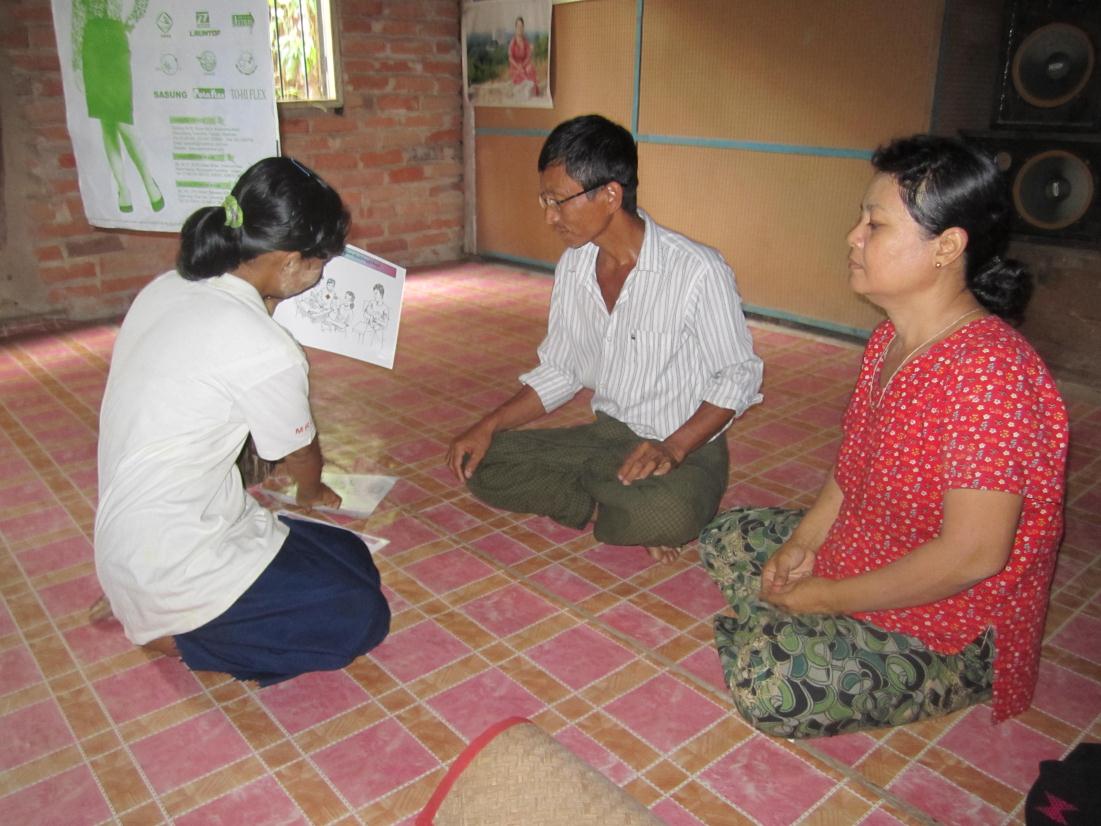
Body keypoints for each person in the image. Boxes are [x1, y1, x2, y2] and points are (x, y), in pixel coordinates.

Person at [699, 134, 1067, 738]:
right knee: (726, 536)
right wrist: (804, 544)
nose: (853, 237)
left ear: (947, 247)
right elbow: (851, 470)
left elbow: (974, 555)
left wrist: (824, 597)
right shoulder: (889, 340)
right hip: (875, 543)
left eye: (876, 225)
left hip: (952, 614)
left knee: (774, 681)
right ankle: (799, 614)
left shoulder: (989, 376)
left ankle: (954, 671)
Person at [93, 157, 390, 684]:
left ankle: (146, 602)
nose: (322, 278)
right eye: (321, 264)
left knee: (350, 555)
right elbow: (296, 452)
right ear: (289, 262)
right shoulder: (266, 347)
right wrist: (313, 488)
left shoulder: (170, 285)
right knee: (361, 617)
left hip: (144, 536)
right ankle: (172, 634)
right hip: (173, 563)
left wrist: (268, 307)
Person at [447, 115, 762, 563]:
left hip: (684, 447)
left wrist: (672, 448)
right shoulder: (574, 267)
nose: (549, 216)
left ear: (611, 194)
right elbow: (561, 370)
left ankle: (628, 504)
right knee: (480, 463)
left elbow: (739, 375)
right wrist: (488, 425)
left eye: (558, 201)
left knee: (672, 515)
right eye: (544, 199)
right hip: (606, 440)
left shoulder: (696, 270)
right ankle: (610, 505)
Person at [71, 0, 164, 213]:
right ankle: (123, 188)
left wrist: (129, 23)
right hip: (92, 44)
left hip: (115, 40)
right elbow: (77, 19)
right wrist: (76, 63)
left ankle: (148, 180)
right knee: (107, 123)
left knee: (124, 123)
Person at [507, 16, 539, 97]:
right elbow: (510, 58)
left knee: (531, 68)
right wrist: (518, 67)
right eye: (518, 26)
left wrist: (523, 65)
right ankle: (522, 91)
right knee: (521, 74)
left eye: (521, 26)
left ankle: (532, 91)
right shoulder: (513, 42)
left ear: (523, 28)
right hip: (515, 67)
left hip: (524, 65)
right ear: (515, 28)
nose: (520, 28)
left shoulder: (525, 41)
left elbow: (528, 56)